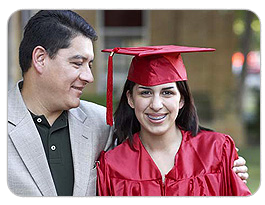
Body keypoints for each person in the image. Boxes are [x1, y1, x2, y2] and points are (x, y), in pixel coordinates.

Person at [97, 45, 251, 196]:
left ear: (181, 99)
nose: (156, 105)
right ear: (130, 99)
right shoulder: (112, 166)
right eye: (145, 93)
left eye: (167, 92)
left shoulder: (216, 151)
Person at [7, 10, 112, 196]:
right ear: (40, 59)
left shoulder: (102, 124)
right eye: (78, 63)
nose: (89, 77)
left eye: (90, 65)